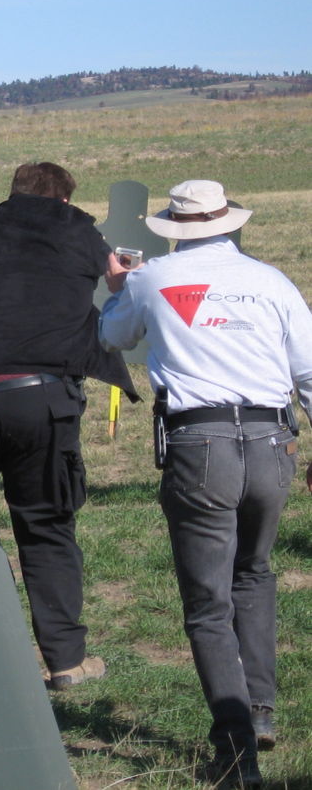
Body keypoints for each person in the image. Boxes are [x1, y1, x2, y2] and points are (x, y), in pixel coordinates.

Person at [100, 180, 312, 789]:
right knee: (256, 572)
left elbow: (112, 339)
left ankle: (235, 746)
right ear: (227, 223)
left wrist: (118, 292)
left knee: (208, 602)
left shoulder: (151, 279)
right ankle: (261, 706)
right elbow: (307, 370)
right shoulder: (273, 281)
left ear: (173, 226)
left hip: (199, 445)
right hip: (274, 443)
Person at [0, 161, 135, 691]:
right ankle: (65, 660)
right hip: (39, 399)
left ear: (12, 192)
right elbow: (111, 274)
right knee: (45, 525)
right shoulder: (79, 229)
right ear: (63, 200)